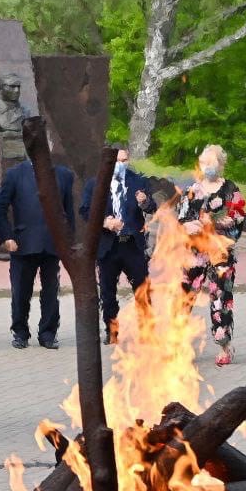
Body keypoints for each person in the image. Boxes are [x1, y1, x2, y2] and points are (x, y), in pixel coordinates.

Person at [0, 156, 75, 349]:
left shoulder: (63, 175)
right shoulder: (15, 174)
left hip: (53, 244)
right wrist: (7, 236)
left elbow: (68, 211)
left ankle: (48, 334)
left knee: (51, 292)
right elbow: (0, 208)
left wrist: (68, 240)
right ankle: (20, 332)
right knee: (21, 291)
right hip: (22, 244)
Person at [176, 144, 246, 366]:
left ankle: (224, 345)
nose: (207, 166)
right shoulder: (192, 190)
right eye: (203, 162)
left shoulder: (230, 190)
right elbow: (181, 219)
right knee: (185, 296)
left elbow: (237, 221)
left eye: (211, 162)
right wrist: (188, 226)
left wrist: (213, 224)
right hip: (194, 253)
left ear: (221, 164)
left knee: (220, 298)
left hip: (219, 254)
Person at [79, 145, 154, 344]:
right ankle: (112, 331)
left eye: (124, 160)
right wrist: (105, 221)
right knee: (107, 292)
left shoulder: (138, 181)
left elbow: (152, 207)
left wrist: (145, 202)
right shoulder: (95, 183)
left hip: (132, 245)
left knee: (142, 289)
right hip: (108, 246)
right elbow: (85, 210)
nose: (121, 164)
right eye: (117, 161)